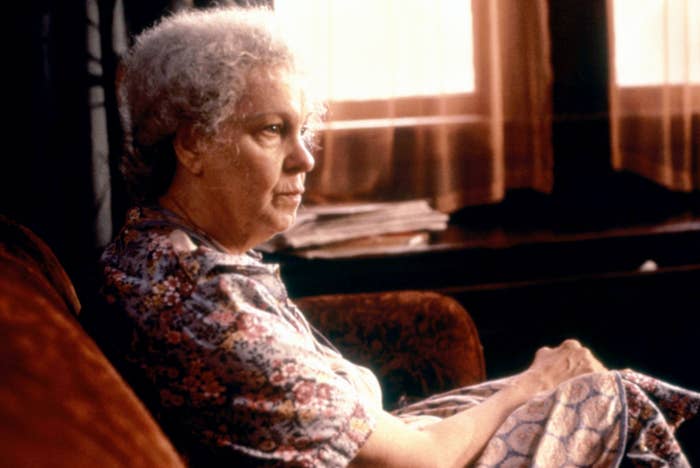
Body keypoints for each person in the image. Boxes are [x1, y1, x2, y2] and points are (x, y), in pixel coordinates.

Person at [99, 6, 699, 467]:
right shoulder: (208, 306)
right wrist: (532, 383)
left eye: (302, 129)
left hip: (393, 446)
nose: (305, 158)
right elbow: (421, 461)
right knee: (608, 397)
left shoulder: (160, 249)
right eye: (272, 130)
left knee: (593, 384)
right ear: (192, 143)